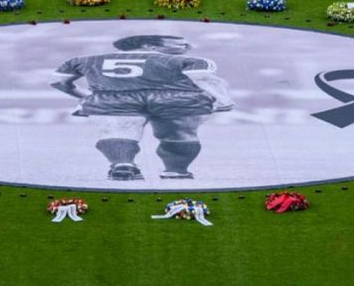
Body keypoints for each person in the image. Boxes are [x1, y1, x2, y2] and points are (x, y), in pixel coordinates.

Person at [50, 35, 233, 181]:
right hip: (176, 98)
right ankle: (176, 171)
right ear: (147, 45)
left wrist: (83, 96)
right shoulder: (195, 61)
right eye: (179, 43)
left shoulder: (82, 60)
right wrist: (223, 100)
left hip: (114, 97)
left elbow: (58, 82)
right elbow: (204, 79)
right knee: (179, 133)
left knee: (118, 130)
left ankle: (122, 164)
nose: (187, 47)